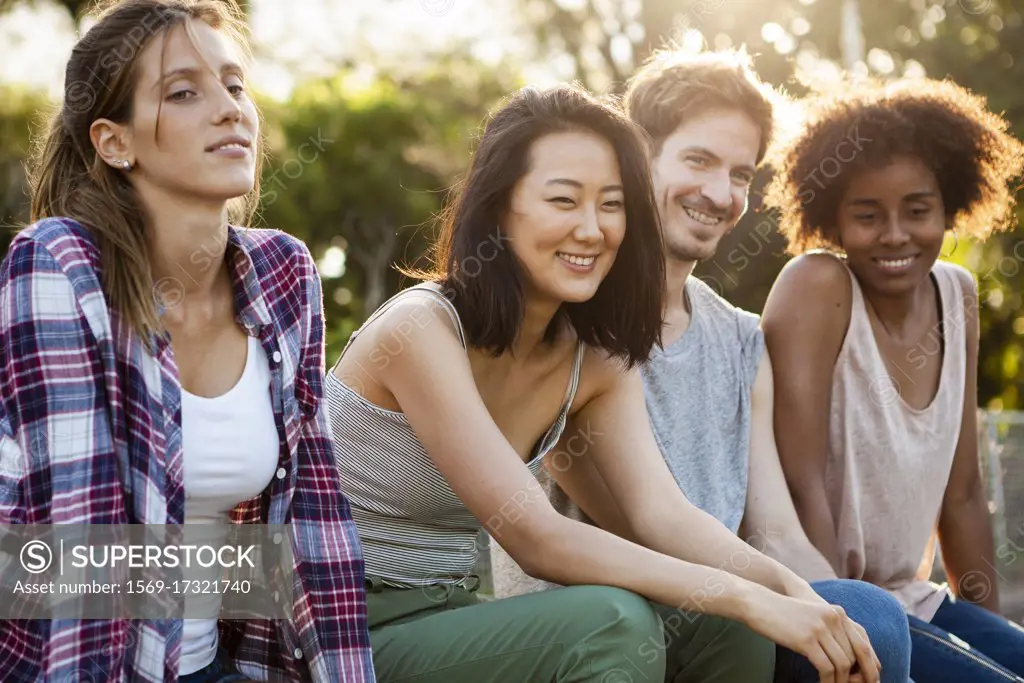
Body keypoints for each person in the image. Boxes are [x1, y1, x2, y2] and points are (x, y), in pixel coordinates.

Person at [327, 81, 883, 683]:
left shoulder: (593, 361)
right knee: (612, 622)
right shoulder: (422, 330)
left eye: (612, 204)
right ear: (499, 209)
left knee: (726, 626)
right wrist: (741, 593)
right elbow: (536, 538)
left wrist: (789, 589)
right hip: (344, 624)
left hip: (451, 614)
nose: (592, 230)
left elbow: (663, 515)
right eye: (564, 201)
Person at [490, 48, 911, 683]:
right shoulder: (567, 320)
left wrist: (835, 611)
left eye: (742, 174)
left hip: (730, 622)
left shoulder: (742, 340)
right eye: (699, 160)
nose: (721, 193)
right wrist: (795, 603)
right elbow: (642, 524)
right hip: (608, 629)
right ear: (637, 156)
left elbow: (774, 531)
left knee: (877, 625)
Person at [0, 1, 374, 681]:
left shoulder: (284, 274)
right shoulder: (58, 265)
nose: (231, 109)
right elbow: (74, 548)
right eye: (184, 92)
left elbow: (313, 526)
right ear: (115, 142)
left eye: (235, 85)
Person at [759, 75, 1024, 682]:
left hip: (917, 599)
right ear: (831, 217)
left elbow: (961, 492)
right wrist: (849, 621)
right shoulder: (818, 287)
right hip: (823, 606)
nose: (896, 235)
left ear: (950, 205)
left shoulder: (956, 295)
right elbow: (800, 485)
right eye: (868, 215)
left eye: (918, 210)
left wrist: (983, 636)